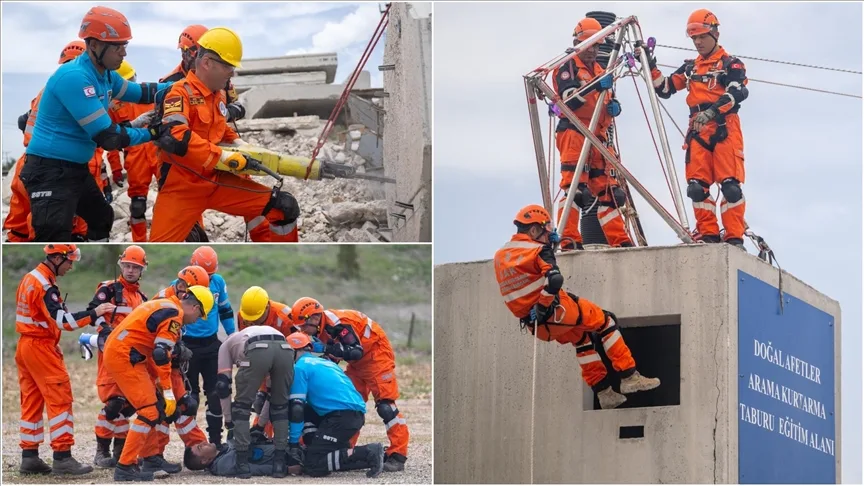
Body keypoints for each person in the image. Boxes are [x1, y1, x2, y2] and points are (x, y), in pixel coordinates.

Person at [20, 6, 174, 242]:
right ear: (94, 45)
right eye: (117, 46)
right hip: (49, 172)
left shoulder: (105, 75)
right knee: (54, 235)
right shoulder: (74, 77)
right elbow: (109, 137)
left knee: (101, 217)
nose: (123, 53)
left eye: (125, 46)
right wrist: (152, 133)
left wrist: (180, 87)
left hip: (73, 168)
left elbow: (141, 92)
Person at [493, 205, 661, 409]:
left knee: (582, 339)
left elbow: (526, 276)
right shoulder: (539, 249)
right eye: (544, 232)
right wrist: (544, 305)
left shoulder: (501, 256)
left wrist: (538, 310)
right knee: (606, 321)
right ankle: (629, 376)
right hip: (557, 313)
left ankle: (604, 392)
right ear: (534, 230)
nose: (547, 237)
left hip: (537, 327)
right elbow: (554, 280)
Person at [149, 27, 300, 242]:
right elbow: (176, 134)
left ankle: (282, 263)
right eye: (228, 66)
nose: (233, 72)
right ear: (207, 62)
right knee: (157, 248)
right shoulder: (178, 92)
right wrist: (223, 157)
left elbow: (219, 127)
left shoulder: (218, 95)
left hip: (217, 181)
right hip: (182, 188)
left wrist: (239, 142)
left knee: (284, 207)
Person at [644, 9, 749, 247]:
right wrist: (650, 64)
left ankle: (734, 238)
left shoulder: (731, 65)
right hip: (698, 130)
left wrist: (712, 112)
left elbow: (737, 92)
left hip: (724, 127)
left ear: (715, 33)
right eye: (695, 39)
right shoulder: (691, 68)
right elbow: (665, 88)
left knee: (730, 187)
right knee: (696, 188)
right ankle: (709, 235)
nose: (698, 42)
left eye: (702, 36)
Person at [15, 244, 116, 475]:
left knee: (31, 400)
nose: (71, 266)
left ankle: (29, 456)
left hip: (25, 346)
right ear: (57, 259)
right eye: (69, 261)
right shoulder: (46, 286)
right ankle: (62, 457)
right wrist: (95, 313)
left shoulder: (31, 277)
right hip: (41, 347)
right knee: (60, 398)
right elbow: (63, 321)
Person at [103, 285, 214, 481]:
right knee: (149, 411)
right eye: (199, 316)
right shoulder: (174, 316)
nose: (196, 320)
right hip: (126, 357)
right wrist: (168, 392)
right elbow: (161, 354)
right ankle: (125, 466)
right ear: (195, 307)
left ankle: (151, 458)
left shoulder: (167, 305)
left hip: (127, 354)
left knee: (155, 406)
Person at [292, 297, 408, 472]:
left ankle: (398, 455)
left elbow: (354, 350)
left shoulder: (339, 323)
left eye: (303, 326)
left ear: (314, 318)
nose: (303, 331)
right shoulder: (319, 331)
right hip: (356, 364)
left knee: (386, 406)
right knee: (346, 404)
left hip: (376, 356)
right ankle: (345, 450)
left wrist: (324, 349)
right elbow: (335, 357)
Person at [553, 17, 632, 249]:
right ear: (579, 43)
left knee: (612, 193)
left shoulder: (599, 70)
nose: (594, 50)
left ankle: (619, 241)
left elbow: (603, 102)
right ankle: (568, 238)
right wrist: (597, 87)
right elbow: (570, 100)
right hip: (575, 132)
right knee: (575, 189)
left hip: (598, 137)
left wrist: (612, 107)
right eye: (590, 45)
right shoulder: (567, 65)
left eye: (597, 45)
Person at [4, 40, 92, 243]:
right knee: (46, 228)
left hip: (26, 166)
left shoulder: (46, 91)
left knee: (18, 230)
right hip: (52, 170)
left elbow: (24, 121)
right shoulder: (79, 93)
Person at [284, 332, 385, 478]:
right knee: (309, 411)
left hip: (341, 418)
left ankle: (368, 452)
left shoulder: (299, 368)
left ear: (291, 351)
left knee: (313, 465)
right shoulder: (326, 363)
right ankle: (333, 450)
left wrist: (293, 444)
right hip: (351, 415)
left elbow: (297, 408)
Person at [85, 245, 149, 468]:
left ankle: (120, 451)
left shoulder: (142, 298)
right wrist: (104, 329)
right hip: (111, 352)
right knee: (114, 403)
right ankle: (101, 451)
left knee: (127, 405)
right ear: (121, 265)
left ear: (143, 269)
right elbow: (93, 313)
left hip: (132, 356)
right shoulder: (109, 289)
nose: (131, 270)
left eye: (135, 267)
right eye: (127, 266)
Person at [215, 326, 295, 478]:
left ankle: (242, 464)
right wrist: (261, 424)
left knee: (242, 408)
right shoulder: (246, 335)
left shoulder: (225, 346)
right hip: (284, 347)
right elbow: (270, 397)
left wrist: (229, 420)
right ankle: (279, 463)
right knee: (280, 407)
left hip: (257, 348)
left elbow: (223, 386)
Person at [183, 246, 235, 445]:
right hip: (188, 347)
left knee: (217, 393)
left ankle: (216, 442)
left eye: (211, 275)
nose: (208, 279)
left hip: (212, 344)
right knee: (190, 398)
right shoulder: (179, 285)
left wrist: (232, 337)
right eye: (205, 275)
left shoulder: (218, 282)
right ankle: (194, 444)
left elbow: (225, 311)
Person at [106, 60, 159, 242]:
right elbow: (110, 138)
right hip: (135, 159)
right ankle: (140, 243)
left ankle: (171, 237)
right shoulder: (113, 106)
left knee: (173, 198)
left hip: (159, 153)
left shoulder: (150, 95)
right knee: (137, 206)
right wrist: (115, 170)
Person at [182, 435, 301, 476]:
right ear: (204, 460)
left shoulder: (222, 452)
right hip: (290, 455)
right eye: (200, 447)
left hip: (284, 444)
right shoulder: (225, 465)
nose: (203, 443)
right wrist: (287, 469)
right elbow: (254, 469)